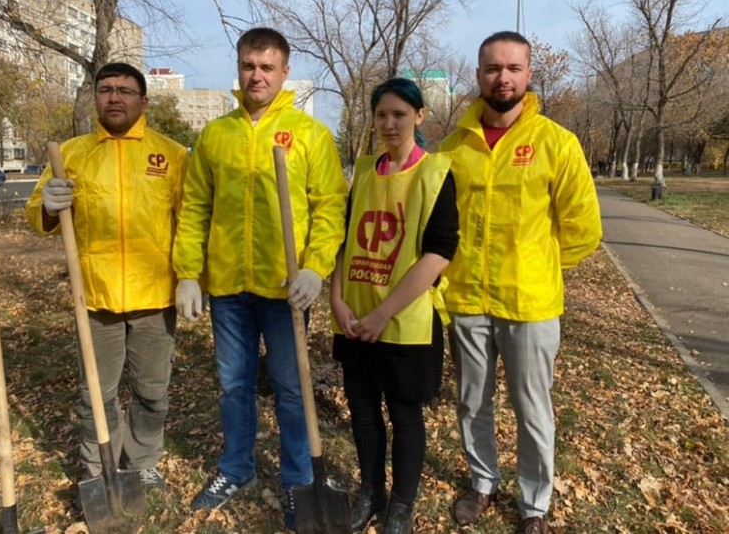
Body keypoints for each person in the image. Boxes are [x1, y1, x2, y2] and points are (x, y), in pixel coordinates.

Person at [172, 27, 347, 530]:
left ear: (284, 72)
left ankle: (297, 479)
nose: (257, 76)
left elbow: (330, 207)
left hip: (286, 289)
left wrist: (316, 267)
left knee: (292, 388)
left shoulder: (309, 135)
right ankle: (237, 468)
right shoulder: (216, 135)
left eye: (267, 67)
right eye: (249, 66)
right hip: (229, 287)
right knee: (234, 386)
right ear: (239, 67)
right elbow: (195, 207)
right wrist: (188, 273)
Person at [438, 31, 602, 534]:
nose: (502, 78)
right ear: (478, 75)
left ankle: (534, 504)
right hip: (467, 299)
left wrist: (539, 268)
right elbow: (438, 225)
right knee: (472, 402)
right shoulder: (453, 149)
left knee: (533, 410)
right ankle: (482, 482)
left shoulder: (556, 143)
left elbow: (583, 228)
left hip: (530, 305)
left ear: (529, 74)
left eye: (513, 68)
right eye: (492, 69)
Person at [26, 62, 186, 496]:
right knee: (96, 395)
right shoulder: (72, 154)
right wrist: (48, 206)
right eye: (106, 89)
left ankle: (143, 461)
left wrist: (192, 277)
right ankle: (99, 467)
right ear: (95, 98)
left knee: (153, 392)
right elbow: (38, 215)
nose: (114, 97)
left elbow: (190, 222)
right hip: (95, 298)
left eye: (125, 90)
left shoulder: (172, 155)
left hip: (156, 296)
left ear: (144, 101)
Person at [330, 78, 459, 534]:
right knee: (363, 411)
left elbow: (439, 253)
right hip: (356, 319)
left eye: (399, 114)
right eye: (381, 114)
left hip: (405, 323)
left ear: (419, 116)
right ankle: (371, 491)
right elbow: (344, 241)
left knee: (404, 416)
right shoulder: (365, 172)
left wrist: (384, 313)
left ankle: (401, 505)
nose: (389, 123)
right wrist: (337, 299)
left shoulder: (436, 173)